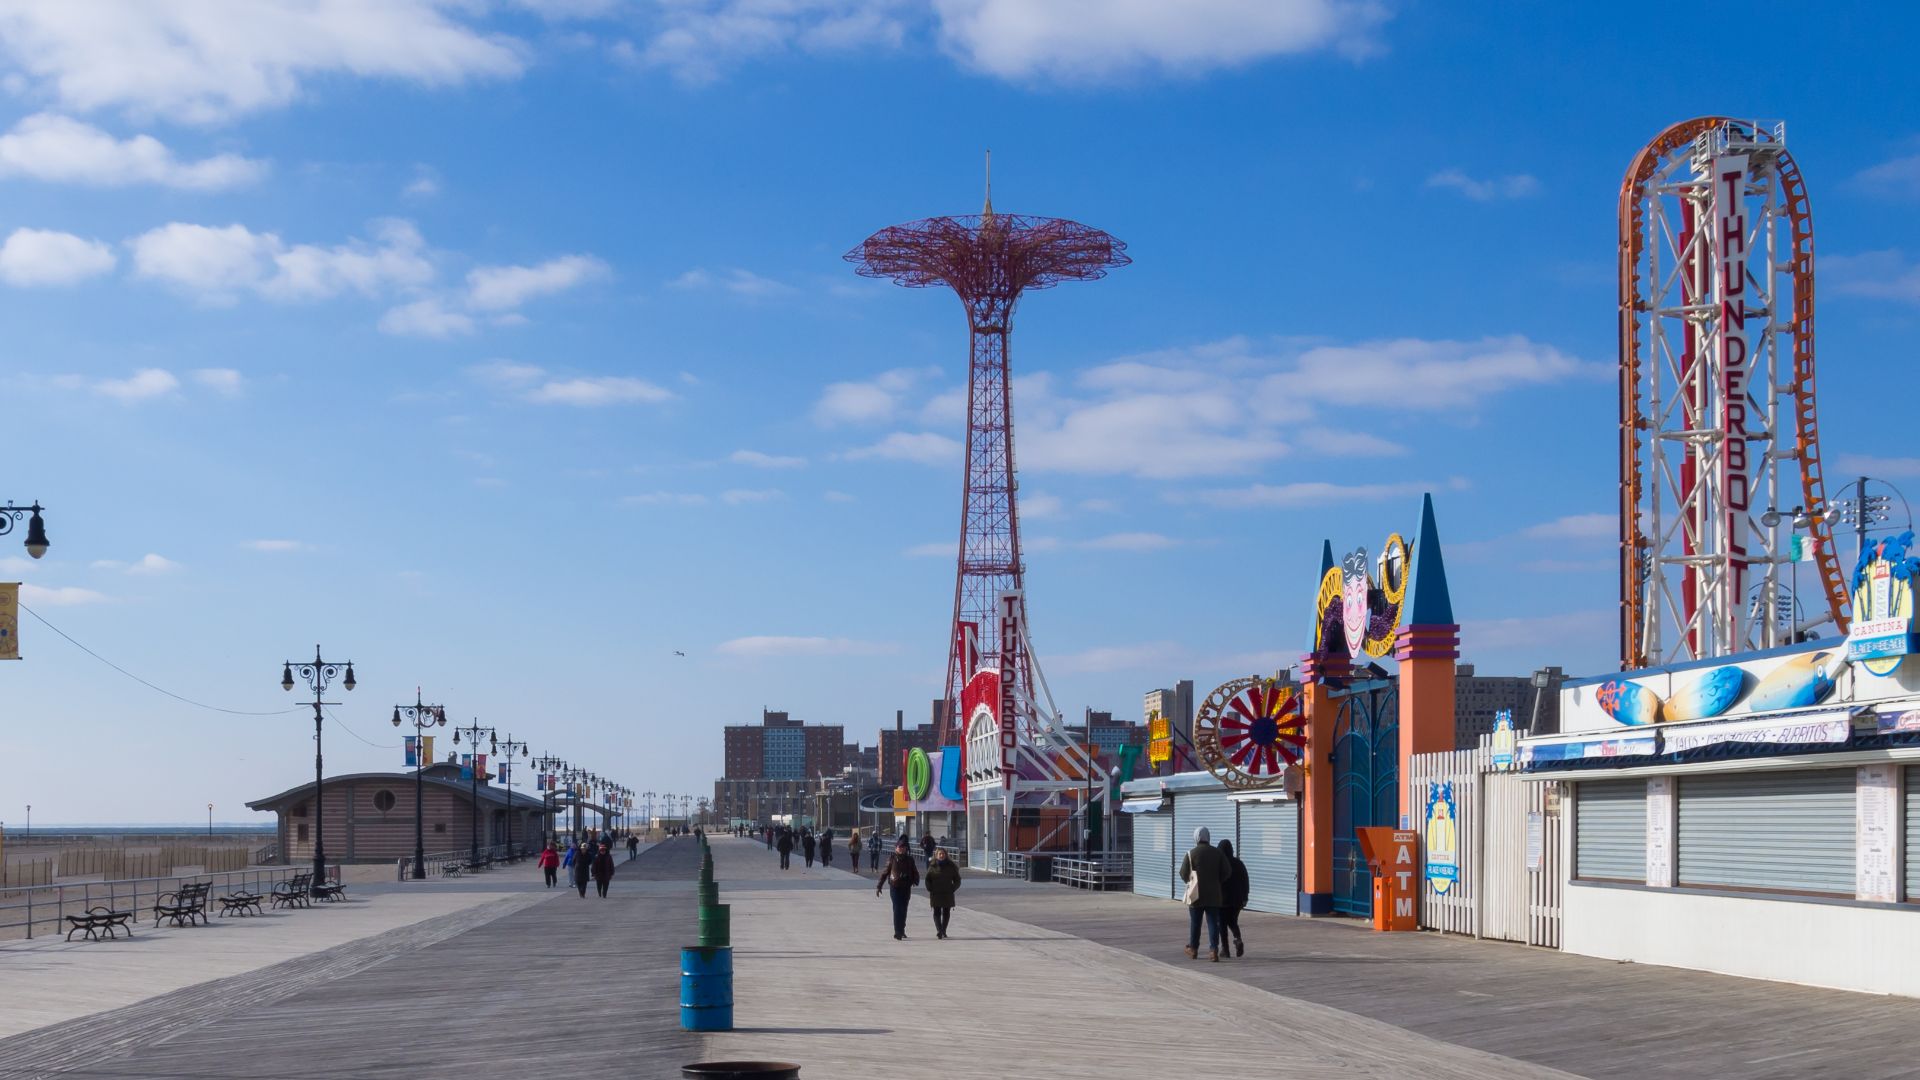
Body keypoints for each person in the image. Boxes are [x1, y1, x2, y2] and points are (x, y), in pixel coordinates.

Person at [1178, 826, 1230, 961]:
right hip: (1214, 895)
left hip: (1196, 895)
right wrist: (1217, 881)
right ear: (1208, 837)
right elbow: (1227, 871)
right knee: (1213, 922)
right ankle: (1213, 951)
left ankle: (1193, 949)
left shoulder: (1191, 853)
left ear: (1196, 837)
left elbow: (1183, 873)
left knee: (1195, 923)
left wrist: (1190, 881)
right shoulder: (1217, 853)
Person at [876, 837, 921, 940]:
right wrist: (879, 886)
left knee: (903, 909)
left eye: (902, 847)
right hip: (894, 887)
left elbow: (915, 872)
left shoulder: (910, 859)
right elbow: (884, 873)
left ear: (905, 849)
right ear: (895, 848)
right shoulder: (892, 859)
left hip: (906, 887)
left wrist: (915, 880)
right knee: (897, 909)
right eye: (899, 847)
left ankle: (902, 929)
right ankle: (897, 931)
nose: (900, 849)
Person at [1218, 838, 1250, 959]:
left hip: (1222, 900)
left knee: (1222, 924)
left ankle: (1225, 950)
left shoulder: (1220, 864)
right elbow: (1246, 881)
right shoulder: (1239, 863)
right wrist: (1245, 896)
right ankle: (1237, 939)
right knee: (1232, 921)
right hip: (1237, 900)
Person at [924, 846, 961, 939]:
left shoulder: (951, 866)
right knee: (936, 912)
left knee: (946, 912)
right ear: (936, 855)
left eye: (943, 854)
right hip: (935, 893)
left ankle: (944, 930)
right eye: (939, 854)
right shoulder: (932, 866)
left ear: (946, 855)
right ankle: (939, 930)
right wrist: (930, 888)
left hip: (947, 893)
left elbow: (957, 880)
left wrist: (953, 888)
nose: (941, 855)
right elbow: (927, 879)